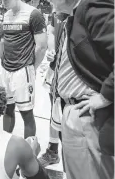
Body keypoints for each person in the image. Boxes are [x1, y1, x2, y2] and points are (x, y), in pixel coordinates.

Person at [45, 0, 114, 179]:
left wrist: (105, 96)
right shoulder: (73, 14)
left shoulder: (94, 5)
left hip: (90, 113)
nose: (47, 0)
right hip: (75, 110)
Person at [0, 0, 47, 139]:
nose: (3, 3)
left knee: (26, 113)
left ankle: (29, 152)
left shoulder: (34, 14)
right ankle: (5, 144)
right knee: (7, 109)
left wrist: (32, 67)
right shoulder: (6, 14)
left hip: (23, 70)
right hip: (5, 69)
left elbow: (41, 47)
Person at [39, 13, 68, 167]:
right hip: (55, 70)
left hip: (71, 74)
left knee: (67, 116)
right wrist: (51, 50)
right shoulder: (57, 13)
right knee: (54, 112)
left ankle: (70, 159)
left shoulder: (81, 12)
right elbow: (51, 31)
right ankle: (53, 151)